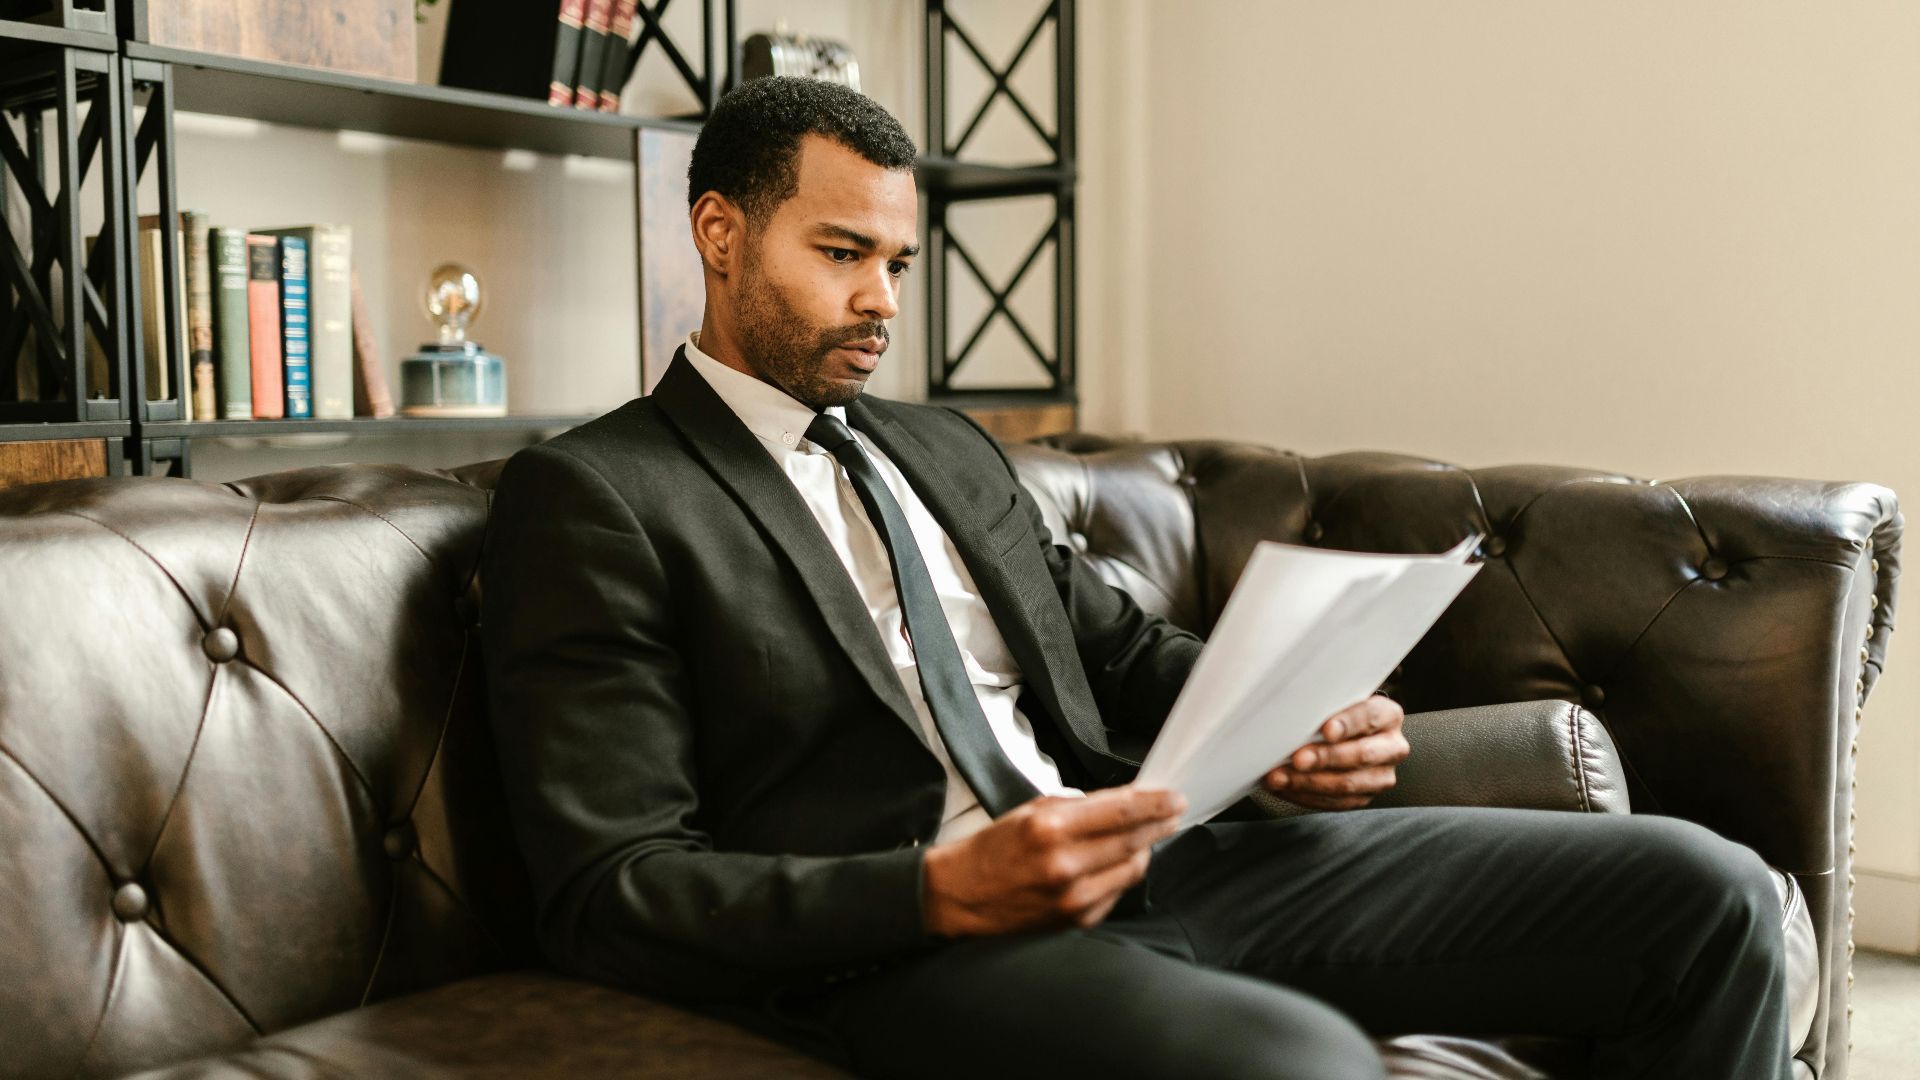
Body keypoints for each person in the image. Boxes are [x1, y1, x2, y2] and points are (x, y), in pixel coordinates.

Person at [480, 76, 1791, 1080]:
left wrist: (1281, 721)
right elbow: (614, 890)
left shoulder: (939, 444)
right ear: (719, 233)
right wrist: (937, 888)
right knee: (1301, 1068)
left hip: (1166, 863)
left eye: (897, 264)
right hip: (910, 945)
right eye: (840, 254)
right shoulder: (598, 494)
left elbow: (1116, 652)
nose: (882, 300)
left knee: (1705, 895)